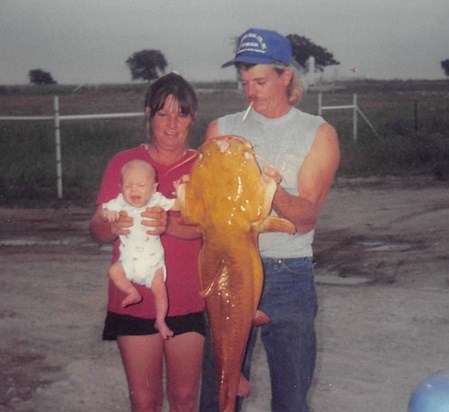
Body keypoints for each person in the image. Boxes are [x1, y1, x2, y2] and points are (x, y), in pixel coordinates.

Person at [199, 28, 340, 412]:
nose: (251, 92)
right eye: (245, 82)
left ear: (286, 76)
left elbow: (305, 219)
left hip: (288, 273)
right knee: (219, 391)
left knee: (291, 398)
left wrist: (267, 188)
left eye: (260, 81)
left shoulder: (318, 133)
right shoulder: (221, 130)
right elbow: (204, 211)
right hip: (227, 269)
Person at [90, 72, 205, 412]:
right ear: (148, 114)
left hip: (188, 299)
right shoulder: (123, 164)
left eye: (181, 114)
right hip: (134, 303)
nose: (172, 124)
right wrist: (110, 226)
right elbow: (96, 228)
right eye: (162, 113)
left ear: (192, 118)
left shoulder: (203, 166)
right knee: (144, 401)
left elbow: (212, 229)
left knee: (185, 399)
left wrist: (169, 224)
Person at [101, 159, 180, 340]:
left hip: (153, 264)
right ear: (120, 187)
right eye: (128, 186)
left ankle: (160, 319)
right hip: (128, 263)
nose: (134, 190)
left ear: (153, 188)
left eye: (141, 185)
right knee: (113, 271)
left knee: (160, 290)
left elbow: (178, 206)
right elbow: (105, 211)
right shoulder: (119, 203)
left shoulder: (157, 200)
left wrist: (182, 194)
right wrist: (108, 214)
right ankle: (131, 291)